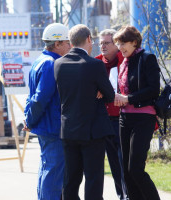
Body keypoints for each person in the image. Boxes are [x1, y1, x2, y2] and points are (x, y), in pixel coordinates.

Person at [54, 24, 115, 200]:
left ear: (71, 42)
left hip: (68, 130)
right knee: (93, 179)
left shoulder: (58, 64)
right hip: (92, 131)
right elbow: (110, 95)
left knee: (71, 179)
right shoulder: (95, 65)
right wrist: (100, 90)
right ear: (88, 39)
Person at [23, 23, 71, 200]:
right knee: (53, 173)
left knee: (47, 169)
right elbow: (40, 97)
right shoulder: (52, 64)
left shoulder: (39, 61)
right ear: (57, 44)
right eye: (67, 42)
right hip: (53, 127)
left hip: (45, 126)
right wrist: (30, 119)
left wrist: (28, 119)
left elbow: (31, 97)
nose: (70, 46)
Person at [113, 25, 161, 200]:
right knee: (125, 170)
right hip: (124, 118)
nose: (120, 47)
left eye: (123, 43)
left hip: (143, 117)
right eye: (118, 43)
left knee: (135, 168)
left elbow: (154, 90)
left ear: (134, 42)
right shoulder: (124, 62)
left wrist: (127, 98)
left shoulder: (147, 58)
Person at [95, 29, 128, 200]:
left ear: (116, 44)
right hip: (103, 120)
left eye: (106, 43)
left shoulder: (126, 62)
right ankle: (121, 195)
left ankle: (129, 194)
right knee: (113, 163)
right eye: (100, 43)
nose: (102, 46)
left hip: (123, 119)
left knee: (126, 163)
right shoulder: (95, 63)